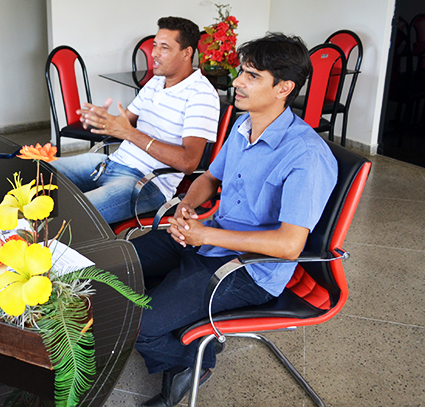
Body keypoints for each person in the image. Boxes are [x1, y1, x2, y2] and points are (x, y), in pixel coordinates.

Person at [132, 33, 338, 407]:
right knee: (117, 266)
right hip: (209, 241)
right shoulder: (244, 127)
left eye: (252, 76)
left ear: (284, 88)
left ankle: (200, 360)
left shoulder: (306, 155)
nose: (238, 83)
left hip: (249, 270)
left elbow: (290, 245)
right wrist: (187, 207)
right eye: (241, 73)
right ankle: (177, 321)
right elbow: (211, 177)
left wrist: (206, 233)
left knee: (140, 328)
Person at [53, 17, 220, 224]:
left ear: (187, 53)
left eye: (164, 48)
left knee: (70, 216)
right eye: (155, 46)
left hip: (146, 183)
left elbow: (188, 162)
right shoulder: (156, 82)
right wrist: (104, 120)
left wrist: (129, 133)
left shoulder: (201, 95)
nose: (154, 54)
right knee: (34, 170)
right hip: (110, 163)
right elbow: (125, 123)